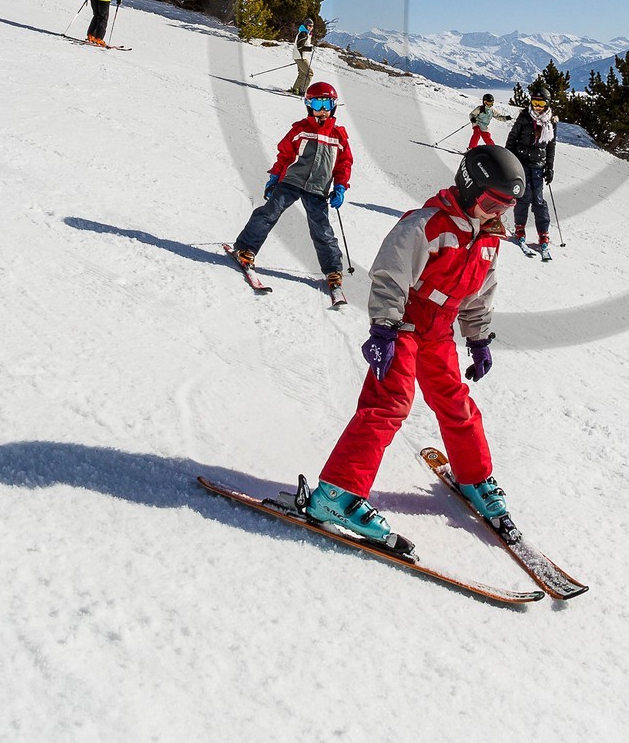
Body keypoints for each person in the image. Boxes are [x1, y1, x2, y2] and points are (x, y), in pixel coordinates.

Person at [303, 144, 525, 542]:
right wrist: (384, 329)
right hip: (404, 324)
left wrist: (478, 339)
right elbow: (390, 276)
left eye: (506, 207)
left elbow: (479, 295)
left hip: (439, 333)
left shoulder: (489, 239)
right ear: (470, 188)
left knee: (455, 402)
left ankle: (474, 477)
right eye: (492, 203)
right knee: (389, 403)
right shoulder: (425, 226)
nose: (497, 214)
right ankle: (335, 494)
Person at [233, 80, 351, 288]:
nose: (322, 110)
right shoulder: (301, 129)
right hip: (291, 181)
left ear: (333, 107)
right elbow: (285, 155)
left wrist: (340, 187)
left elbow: (344, 164)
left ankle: (333, 270)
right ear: (309, 106)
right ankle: (246, 248)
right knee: (270, 212)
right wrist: (274, 178)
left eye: (327, 105)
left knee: (321, 229)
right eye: (317, 105)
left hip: (318, 188)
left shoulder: (338, 136)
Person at [506, 83, 557, 251]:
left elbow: (551, 146)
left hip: (538, 165)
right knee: (524, 196)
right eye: (535, 103)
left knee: (538, 200)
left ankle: (543, 232)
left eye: (541, 104)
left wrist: (550, 167)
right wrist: (507, 160)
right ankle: (520, 227)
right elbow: (512, 138)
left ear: (547, 104)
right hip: (521, 163)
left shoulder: (551, 122)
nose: (537, 107)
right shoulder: (524, 117)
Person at [290, 17, 315, 96]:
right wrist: (310, 48)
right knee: (309, 73)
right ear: (306, 25)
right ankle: (302, 91)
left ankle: (295, 89)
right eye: (309, 26)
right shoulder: (303, 34)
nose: (311, 27)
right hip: (300, 57)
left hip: (299, 56)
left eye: (312, 26)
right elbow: (300, 47)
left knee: (302, 74)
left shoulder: (305, 33)